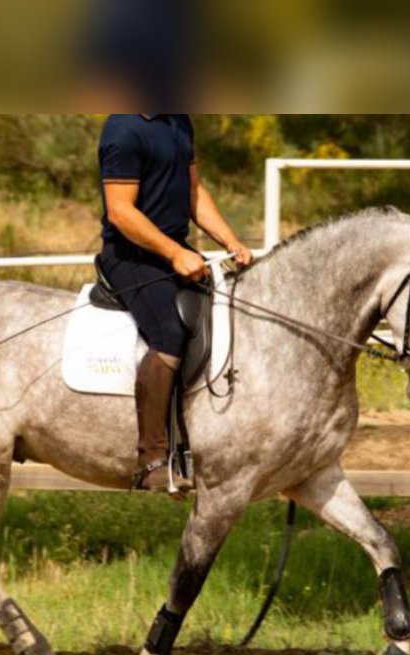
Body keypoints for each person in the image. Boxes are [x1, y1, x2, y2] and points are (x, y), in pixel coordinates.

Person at [98, 114, 253, 492]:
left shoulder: (179, 121)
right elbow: (121, 212)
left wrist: (231, 241)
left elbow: (194, 194)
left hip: (173, 250)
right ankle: (151, 458)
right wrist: (173, 254)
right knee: (169, 331)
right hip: (130, 257)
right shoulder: (122, 129)